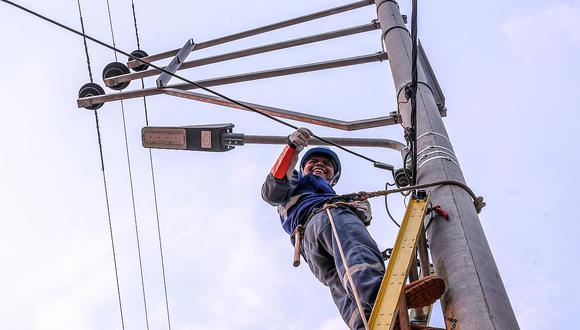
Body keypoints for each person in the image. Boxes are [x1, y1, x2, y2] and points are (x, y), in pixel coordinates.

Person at [261, 128, 445, 330]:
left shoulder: (333, 197)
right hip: (326, 218)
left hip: (309, 248)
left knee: (342, 286)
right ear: (303, 168)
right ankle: (384, 299)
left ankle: (374, 325)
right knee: (356, 251)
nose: (320, 165)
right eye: (314, 162)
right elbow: (272, 190)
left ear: (333, 177)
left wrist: (360, 210)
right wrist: (291, 149)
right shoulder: (297, 182)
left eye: (327, 164)